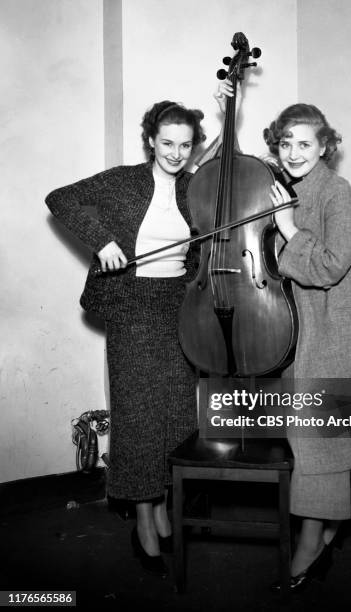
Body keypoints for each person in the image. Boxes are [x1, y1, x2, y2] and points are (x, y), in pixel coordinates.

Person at [215, 81, 351, 591]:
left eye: (305, 143)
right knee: (311, 435)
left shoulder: (337, 192)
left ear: (325, 145)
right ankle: (321, 533)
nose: (294, 152)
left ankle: (311, 541)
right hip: (293, 324)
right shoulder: (284, 182)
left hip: (330, 328)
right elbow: (222, 177)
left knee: (317, 435)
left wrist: (285, 223)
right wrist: (225, 113)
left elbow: (329, 265)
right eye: (286, 143)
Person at [45, 101, 206, 577]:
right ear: (151, 140)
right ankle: (142, 513)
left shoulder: (195, 186)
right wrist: (100, 240)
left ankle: (161, 504)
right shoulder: (122, 180)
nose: (176, 153)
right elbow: (60, 198)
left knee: (177, 413)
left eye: (185, 144)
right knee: (137, 415)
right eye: (167, 142)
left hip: (180, 305)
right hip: (133, 304)